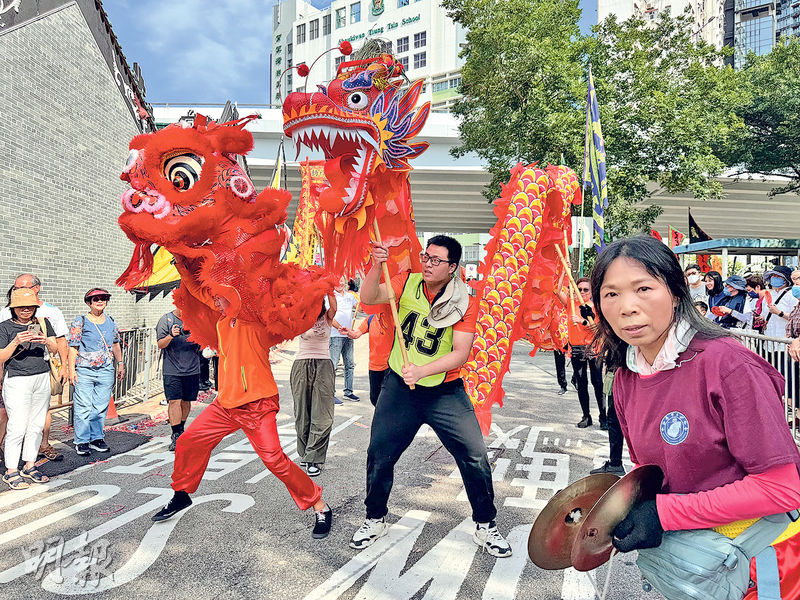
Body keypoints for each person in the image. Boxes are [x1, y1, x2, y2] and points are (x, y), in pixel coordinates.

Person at [590, 235, 800, 598]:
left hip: (761, 564)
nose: (627, 307)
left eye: (643, 288)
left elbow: (782, 488)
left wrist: (665, 513)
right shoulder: (627, 377)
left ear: (676, 290)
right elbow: (656, 475)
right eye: (611, 294)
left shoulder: (726, 363)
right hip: (694, 568)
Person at [350, 235, 512, 557]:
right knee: (380, 453)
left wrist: (422, 372)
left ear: (453, 267)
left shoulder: (464, 300)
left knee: (475, 455)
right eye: (426, 256)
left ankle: (485, 524)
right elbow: (370, 296)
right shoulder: (406, 282)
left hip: (444, 391)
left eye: (436, 260)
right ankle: (375, 517)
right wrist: (375, 264)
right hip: (399, 387)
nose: (427, 263)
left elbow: (461, 353)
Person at [150, 266, 332, 541]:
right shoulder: (222, 324)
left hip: (257, 404)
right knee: (188, 442)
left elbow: (291, 312)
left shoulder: (254, 320)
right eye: (216, 298)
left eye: (221, 298)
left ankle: (320, 505)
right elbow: (200, 292)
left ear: (234, 297)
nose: (216, 302)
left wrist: (317, 289)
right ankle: (181, 494)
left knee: (275, 461)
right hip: (225, 404)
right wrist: (181, 260)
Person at [0, 274, 69, 462]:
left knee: (36, 425)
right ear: (13, 308)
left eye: (30, 307)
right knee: (17, 425)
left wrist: (46, 341)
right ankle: (12, 469)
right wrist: (15, 341)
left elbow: (55, 348)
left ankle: (30, 464)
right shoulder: (4, 327)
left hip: (41, 378)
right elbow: (1, 357)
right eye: (21, 307)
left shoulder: (43, 322)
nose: (25, 310)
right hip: (16, 379)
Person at [68, 288, 124, 456]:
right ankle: (82, 440)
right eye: (96, 299)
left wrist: (120, 364)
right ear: (88, 303)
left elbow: (115, 344)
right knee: (83, 406)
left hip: (106, 370)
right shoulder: (80, 321)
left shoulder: (111, 321)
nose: (100, 301)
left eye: (103, 298)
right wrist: (71, 370)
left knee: (100, 406)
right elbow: (73, 347)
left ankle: (96, 438)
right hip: (84, 370)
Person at [292, 294, 337, 477]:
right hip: (301, 365)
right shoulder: (300, 318)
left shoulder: (328, 317)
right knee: (302, 413)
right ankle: (305, 454)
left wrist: (328, 289)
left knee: (323, 415)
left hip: (324, 365)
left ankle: (314, 458)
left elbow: (334, 306)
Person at [556, 276, 606, 429]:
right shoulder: (571, 304)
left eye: (586, 289)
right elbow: (557, 291)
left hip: (593, 348)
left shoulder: (597, 307)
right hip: (577, 349)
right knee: (581, 383)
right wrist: (565, 272)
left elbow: (599, 329)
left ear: (591, 291)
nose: (582, 292)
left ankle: (603, 417)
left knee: (597, 383)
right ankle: (586, 416)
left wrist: (582, 320)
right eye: (580, 289)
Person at [157, 305, 201, 451]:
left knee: (186, 402)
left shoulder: (196, 319)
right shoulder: (166, 319)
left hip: (192, 369)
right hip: (172, 370)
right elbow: (160, 344)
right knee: (174, 401)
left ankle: (180, 428)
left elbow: (206, 340)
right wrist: (171, 335)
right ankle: (176, 434)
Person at [346, 310, 394, 406]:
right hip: (374, 365)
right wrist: (349, 332)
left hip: (391, 366)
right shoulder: (371, 318)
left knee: (389, 400)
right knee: (374, 398)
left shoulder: (394, 317)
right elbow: (357, 333)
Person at [589, 367, 625, 476]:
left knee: (614, 419)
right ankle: (615, 462)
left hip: (622, 373)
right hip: (622, 373)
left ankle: (615, 463)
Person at [330, 276, 359, 403]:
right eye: (337, 280)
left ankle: (348, 392)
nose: (340, 283)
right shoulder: (330, 296)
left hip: (348, 335)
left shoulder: (350, 296)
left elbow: (361, 307)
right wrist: (340, 327)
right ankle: (331, 394)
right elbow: (329, 317)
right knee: (333, 365)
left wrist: (362, 297)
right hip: (335, 335)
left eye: (342, 280)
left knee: (350, 364)